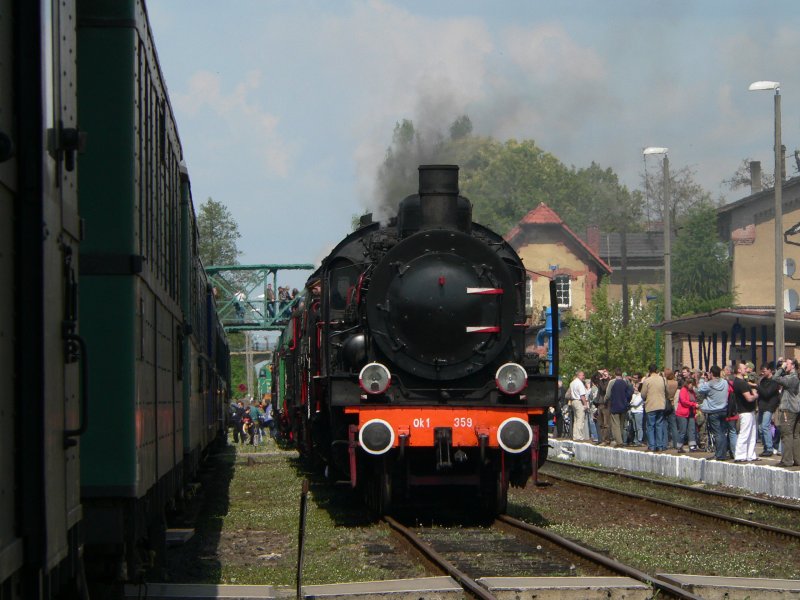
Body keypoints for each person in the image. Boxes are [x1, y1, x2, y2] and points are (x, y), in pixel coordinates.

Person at [698, 365, 731, 461]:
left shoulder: (709, 384)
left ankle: (720, 455)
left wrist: (702, 379)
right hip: (724, 410)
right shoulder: (725, 382)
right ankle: (723, 453)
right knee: (723, 433)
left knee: (717, 434)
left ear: (711, 373)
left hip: (713, 412)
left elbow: (699, 389)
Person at [772, 358, 800, 468]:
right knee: (796, 435)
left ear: (793, 365)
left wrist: (781, 368)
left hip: (788, 410)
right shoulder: (795, 377)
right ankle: (797, 459)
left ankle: (787, 460)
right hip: (796, 410)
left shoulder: (791, 378)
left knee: (786, 435)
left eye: (787, 363)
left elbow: (775, 378)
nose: (785, 365)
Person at [732, 361, 759, 462]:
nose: (746, 369)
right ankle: (740, 455)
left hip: (750, 411)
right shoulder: (740, 383)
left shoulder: (742, 382)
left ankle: (750, 455)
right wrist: (756, 395)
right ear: (739, 370)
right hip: (745, 411)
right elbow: (749, 398)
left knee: (752, 434)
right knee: (744, 433)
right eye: (744, 368)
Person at [640, 364, 668, 452]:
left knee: (650, 426)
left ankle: (652, 446)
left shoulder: (647, 381)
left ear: (649, 371)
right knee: (659, 425)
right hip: (661, 405)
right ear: (656, 370)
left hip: (651, 405)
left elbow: (643, 394)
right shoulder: (663, 379)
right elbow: (666, 391)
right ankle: (660, 446)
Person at [757, 362, 781, 457]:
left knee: (765, 426)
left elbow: (767, 393)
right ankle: (766, 447)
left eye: (764, 371)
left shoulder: (774, 381)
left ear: (770, 370)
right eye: (762, 371)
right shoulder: (762, 381)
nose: (762, 372)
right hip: (762, 406)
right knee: (760, 428)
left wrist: (758, 387)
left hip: (769, 406)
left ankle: (769, 448)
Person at [607, 368, 632, 446]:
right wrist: (626, 401)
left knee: (616, 425)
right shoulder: (626, 382)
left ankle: (619, 442)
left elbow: (607, 394)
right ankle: (620, 439)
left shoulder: (612, 382)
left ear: (615, 374)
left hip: (615, 406)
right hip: (624, 406)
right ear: (621, 374)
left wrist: (606, 401)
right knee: (621, 424)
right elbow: (629, 393)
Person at [675, 376, 699, 452]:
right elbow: (684, 401)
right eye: (691, 384)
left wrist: (695, 408)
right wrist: (693, 404)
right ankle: (679, 446)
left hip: (691, 413)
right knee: (683, 431)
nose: (692, 386)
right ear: (688, 384)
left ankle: (692, 446)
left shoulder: (692, 392)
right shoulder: (683, 390)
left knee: (692, 429)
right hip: (683, 413)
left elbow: (694, 400)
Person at [569, 371, 589, 441]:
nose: (583, 377)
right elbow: (582, 395)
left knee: (576, 419)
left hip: (573, 401)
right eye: (582, 375)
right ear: (579, 375)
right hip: (579, 401)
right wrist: (585, 404)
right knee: (580, 419)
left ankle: (575, 435)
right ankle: (579, 436)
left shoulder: (572, 383)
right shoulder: (580, 383)